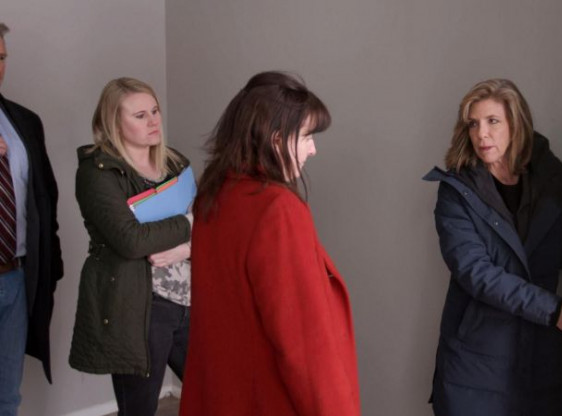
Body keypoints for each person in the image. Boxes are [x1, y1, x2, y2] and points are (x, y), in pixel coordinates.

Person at [180, 71, 360, 416]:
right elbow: (304, 343)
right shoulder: (277, 210)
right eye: (307, 136)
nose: (313, 149)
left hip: (222, 394)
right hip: (268, 399)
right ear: (276, 139)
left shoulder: (216, 194)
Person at [423, 78, 562, 416]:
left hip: (541, 358)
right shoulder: (457, 191)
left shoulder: (555, 185)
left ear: (515, 124)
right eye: (473, 124)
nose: (481, 134)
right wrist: (553, 310)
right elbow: (475, 272)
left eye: (492, 121)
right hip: (476, 358)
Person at [69, 77, 193, 416]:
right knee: (139, 408)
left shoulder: (175, 162)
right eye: (140, 116)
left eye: (155, 111)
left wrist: (187, 246)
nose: (153, 121)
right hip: (140, 307)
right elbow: (131, 240)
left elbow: (211, 226)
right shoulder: (98, 173)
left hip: (190, 299)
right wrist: (189, 224)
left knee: (216, 395)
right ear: (114, 122)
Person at [0, 22, 63, 416]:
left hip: (17, 279)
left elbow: (45, 199)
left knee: (7, 395)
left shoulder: (25, 122)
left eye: (1, 57)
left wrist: (51, 266)